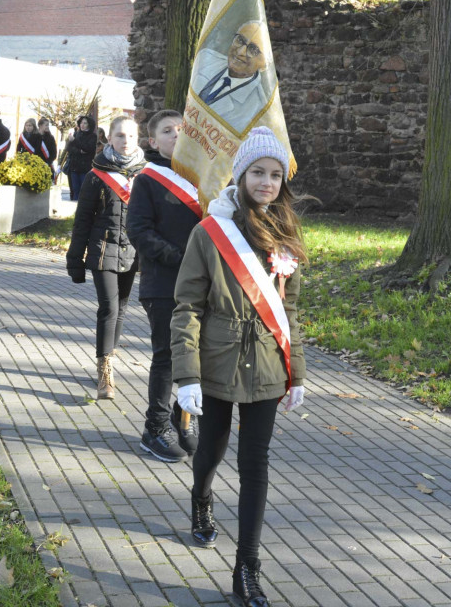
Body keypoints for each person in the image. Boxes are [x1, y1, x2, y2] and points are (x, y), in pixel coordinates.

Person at [170, 126, 307, 607]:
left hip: (267, 367)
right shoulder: (211, 232)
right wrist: (186, 376)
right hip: (216, 363)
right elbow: (187, 307)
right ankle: (201, 498)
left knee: (255, 465)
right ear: (241, 174)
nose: (266, 182)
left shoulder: (286, 234)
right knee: (210, 449)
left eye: (275, 175)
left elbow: (288, 311)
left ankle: (246, 568)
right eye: (258, 173)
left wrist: (297, 372)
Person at [127, 109, 202, 463]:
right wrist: (181, 258)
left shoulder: (203, 177)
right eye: (168, 131)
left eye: (182, 130)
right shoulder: (147, 180)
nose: (177, 135)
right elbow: (139, 231)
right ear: (153, 142)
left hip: (201, 284)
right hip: (163, 283)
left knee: (201, 355)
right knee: (167, 357)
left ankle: (182, 416)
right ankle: (154, 429)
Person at [66, 116, 145, 399]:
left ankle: (109, 356)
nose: (126, 141)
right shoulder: (95, 175)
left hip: (132, 251)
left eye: (131, 136)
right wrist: (75, 259)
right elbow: (83, 220)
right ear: (109, 138)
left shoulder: (147, 175)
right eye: (120, 136)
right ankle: (104, 372)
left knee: (121, 308)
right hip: (103, 250)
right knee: (109, 308)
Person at [192, 21, 271, 133]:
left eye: (253, 50)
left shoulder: (258, 109)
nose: (240, 52)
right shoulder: (205, 58)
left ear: (265, 64)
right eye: (240, 40)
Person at [65, 115, 97, 201]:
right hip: (74, 166)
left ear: (89, 125)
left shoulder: (92, 136)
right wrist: (79, 151)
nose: (82, 125)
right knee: (75, 189)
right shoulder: (76, 134)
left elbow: (88, 148)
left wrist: (75, 141)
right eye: (81, 123)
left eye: (85, 123)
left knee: (83, 190)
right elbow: (69, 148)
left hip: (85, 167)